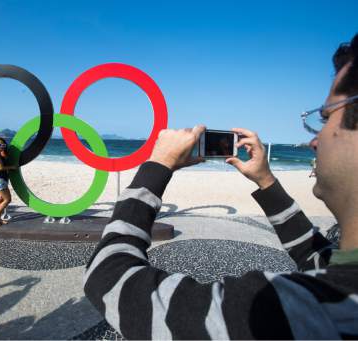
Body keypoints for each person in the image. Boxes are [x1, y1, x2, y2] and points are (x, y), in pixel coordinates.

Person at [83, 34, 358, 339]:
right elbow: (317, 259)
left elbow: (109, 277)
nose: (313, 140)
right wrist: (265, 181)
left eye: (325, 117)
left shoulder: (284, 312)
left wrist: (157, 165)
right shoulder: (339, 289)